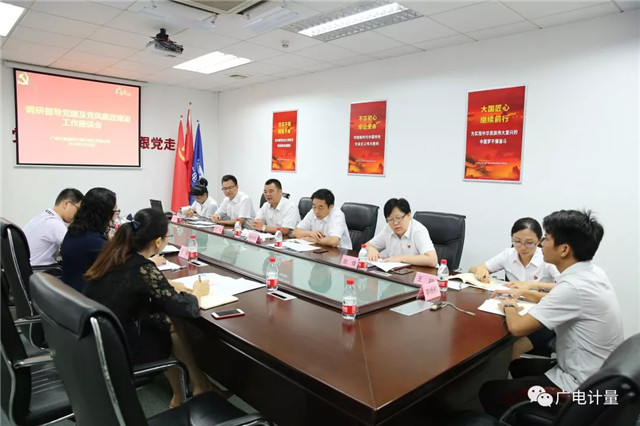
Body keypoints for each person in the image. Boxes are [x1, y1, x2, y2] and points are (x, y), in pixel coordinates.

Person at [479, 210, 623, 418]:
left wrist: (509, 304)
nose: (541, 244)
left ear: (564, 249)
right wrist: (527, 292)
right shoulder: (591, 273)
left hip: (580, 386)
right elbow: (560, 298)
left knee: (491, 391)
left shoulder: (573, 286)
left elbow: (517, 327)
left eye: (546, 238)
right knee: (519, 366)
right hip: (599, 374)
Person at [83, 208, 214, 408]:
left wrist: (167, 286)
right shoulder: (142, 267)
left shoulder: (115, 254)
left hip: (96, 338)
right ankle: (198, 386)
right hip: (121, 345)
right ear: (158, 242)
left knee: (168, 321)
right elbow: (183, 307)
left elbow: (136, 286)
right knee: (171, 322)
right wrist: (197, 292)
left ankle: (189, 390)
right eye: (168, 236)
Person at [469, 217, 560, 359]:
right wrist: (481, 270)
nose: (522, 247)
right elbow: (474, 269)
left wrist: (531, 286)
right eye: (517, 241)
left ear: (539, 241)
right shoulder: (508, 254)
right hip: (509, 307)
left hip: (539, 313)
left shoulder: (546, 258)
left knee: (511, 351)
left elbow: (564, 286)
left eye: (529, 243)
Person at [60, 188, 117, 292]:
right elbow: (118, 269)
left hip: (68, 290)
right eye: (114, 211)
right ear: (105, 214)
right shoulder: (96, 243)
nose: (115, 215)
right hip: (84, 296)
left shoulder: (73, 231)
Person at [365, 198, 438, 267]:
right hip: (398, 273)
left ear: (409, 215)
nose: (395, 223)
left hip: (423, 273)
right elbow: (366, 246)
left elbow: (432, 259)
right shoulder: (388, 229)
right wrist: (371, 249)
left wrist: (400, 258)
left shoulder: (418, 230)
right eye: (390, 220)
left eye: (398, 218)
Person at [23, 188, 83, 267]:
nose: (78, 214)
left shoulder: (41, 217)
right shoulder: (55, 224)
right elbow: (76, 249)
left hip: (26, 268)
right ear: (66, 204)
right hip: (40, 271)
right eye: (78, 209)